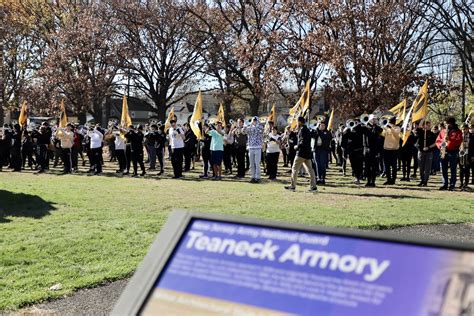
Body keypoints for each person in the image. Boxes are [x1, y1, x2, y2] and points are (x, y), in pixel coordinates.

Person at [285, 116, 317, 192]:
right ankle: (313, 187)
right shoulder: (307, 129)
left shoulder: (302, 130)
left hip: (301, 153)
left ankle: (292, 186)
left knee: (294, 169)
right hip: (307, 153)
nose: (296, 122)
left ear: (299, 122)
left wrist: (296, 146)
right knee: (310, 170)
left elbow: (302, 142)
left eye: (297, 121)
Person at [436, 117, 463, 191]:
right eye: (444, 123)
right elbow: (438, 140)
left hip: (453, 152)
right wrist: (440, 146)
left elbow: (459, 141)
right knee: (443, 169)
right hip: (443, 151)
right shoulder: (442, 131)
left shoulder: (458, 131)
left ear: (451, 123)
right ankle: (445, 184)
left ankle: (452, 184)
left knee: (453, 169)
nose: (445, 124)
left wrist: (450, 141)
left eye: (446, 123)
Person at [362, 116, 383, 187]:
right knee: (367, 166)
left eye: (374, 119)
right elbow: (360, 129)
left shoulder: (376, 127)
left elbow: (381, 130)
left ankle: (373, 182)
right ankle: (368, 181)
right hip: (366, 149)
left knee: (373, 167)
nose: (373, 120)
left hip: (374, 149)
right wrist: (366, 124)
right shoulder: (365, 127)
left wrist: (375, 125)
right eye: (372, 119)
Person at [416, 121, 436, 187]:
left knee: (427, 168)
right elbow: (419, 126)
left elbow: (435, 143)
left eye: (429, 125)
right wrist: (423, 119)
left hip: (429, 152)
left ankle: (425, 181)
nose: (428, 126)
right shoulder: (421, 132)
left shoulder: (432, 134)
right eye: (427, 125)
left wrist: (428, 147)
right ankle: (422, 180)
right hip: (421, 152)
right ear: (424, 126)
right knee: (421, 167)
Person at [381, 117, 401, 185]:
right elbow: (382, 134)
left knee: (394, 166)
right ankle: (388, 179)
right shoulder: (386, 128)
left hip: (394, 150)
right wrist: (383, 127)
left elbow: (396, 136)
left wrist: (391, 128)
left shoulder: (397, 128)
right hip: (386, 149)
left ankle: (393, 180)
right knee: (387, 166)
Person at [244, 116, 264, 183]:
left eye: (255, 120)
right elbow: (244, 132)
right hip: (251, 147)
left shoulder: (260, 127)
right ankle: (252, 177)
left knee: (257, 163)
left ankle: (257, 177)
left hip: (258, 147)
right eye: (253, 120)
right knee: (251, 163)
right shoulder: (249, 127)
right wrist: (245, 125)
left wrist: (252, 126)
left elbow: (260, 131)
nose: (254, 121)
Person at [458, 123, 471, 191]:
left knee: (467, 170)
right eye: (462, 129)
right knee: (461, 170)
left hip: (468, 155)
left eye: (465, 129)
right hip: (460, 154)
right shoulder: (459, 136)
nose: (463, 130)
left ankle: (466, 183)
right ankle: (461, 183)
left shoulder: (471, 136)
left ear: (467, 129)